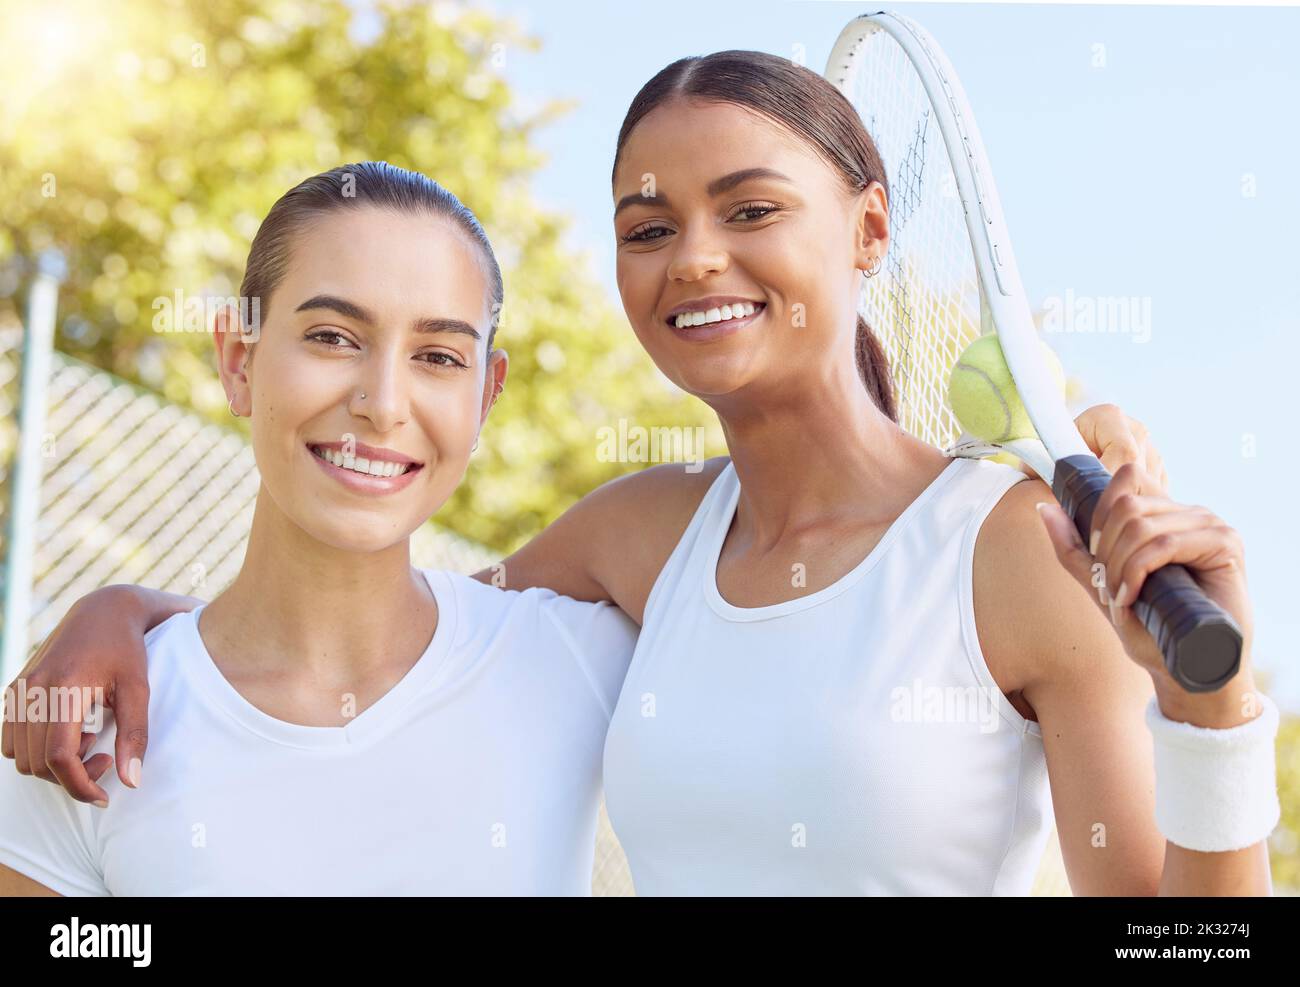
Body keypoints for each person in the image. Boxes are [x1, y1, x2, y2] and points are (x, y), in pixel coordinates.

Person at [6, 53, 1278, 895]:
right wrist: (116, 613)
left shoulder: (1009, 548)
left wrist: (1209, 716)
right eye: (648, 229)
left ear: (871, 230)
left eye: (750, 210)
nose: (696, 260)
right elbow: (364, 617)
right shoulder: (642, 539)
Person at [0, 162, 637, 895]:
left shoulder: (579, 655)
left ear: (485, 397)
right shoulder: (86, 732)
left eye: (438, 356)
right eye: (333, 337)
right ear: (240, 361)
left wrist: (120, 602)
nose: (384, 402)